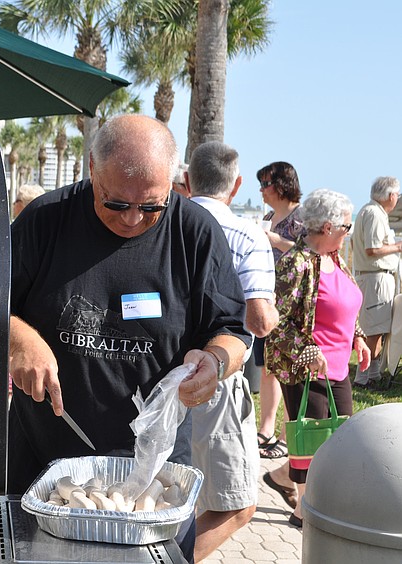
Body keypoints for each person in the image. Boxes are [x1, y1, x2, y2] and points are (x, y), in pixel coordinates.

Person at [8, 114, 251, 563]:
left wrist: (215, 363)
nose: (134, 219)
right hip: (43, 459)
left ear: (174, 183)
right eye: (116, 203)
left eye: (152, 206)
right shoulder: (45, 220)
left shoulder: (194, 232)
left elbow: (232, 330)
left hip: (152, 472)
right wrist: (19, 338)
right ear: (92, 170)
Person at [185, 142, 278, 561]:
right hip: (216, 375)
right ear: (237, 184)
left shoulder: (165, 222)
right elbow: (258, 321)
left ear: (187, 181)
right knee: (236, 504)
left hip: (155, 372)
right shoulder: (248, 235)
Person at [263, 189, 370, 528]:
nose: (348, 232)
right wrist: (307, 351)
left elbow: (346, 305)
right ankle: (305, 514)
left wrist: (359, 338)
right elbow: (275, 322)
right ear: (327, 227)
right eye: (346, 226)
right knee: (316, 442)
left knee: (340, 438)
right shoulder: (296, 264)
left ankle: (283, 476)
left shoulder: (337, 257)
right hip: (305, 369)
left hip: (338, 365)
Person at [255, 161, 305, 460]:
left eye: (266, 184)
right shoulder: (267, 216)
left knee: (288, 372)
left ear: (282, 185)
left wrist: (276, 241)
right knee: (267, 368)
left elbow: (310, 254)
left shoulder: (302, 217)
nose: (261, 190)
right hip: (267, 301)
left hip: (292, 306)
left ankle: (287, 436)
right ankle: (266, 428)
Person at [351, 176, 401, 389]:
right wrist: (398, 247)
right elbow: (372, 249)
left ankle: (373, 374)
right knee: (372, 330)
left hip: (375, 277)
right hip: (376, 277)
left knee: (378, 327)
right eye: (397, 194)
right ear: (391, 195)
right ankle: (363, 379)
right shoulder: (374, 214)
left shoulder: (370, 211)